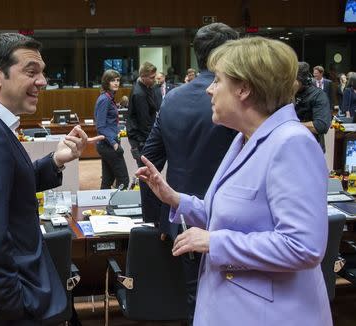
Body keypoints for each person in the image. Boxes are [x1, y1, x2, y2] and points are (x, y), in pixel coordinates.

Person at [136, 36, 331, 325]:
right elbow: (231, 216)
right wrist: (175, 198)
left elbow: (302, 246)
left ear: (244, 88)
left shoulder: (291, 143)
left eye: (217, 80)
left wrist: (215, 242)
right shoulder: (244, 138)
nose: (210, 90)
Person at [0, 33, 103, 325]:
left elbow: (4, 189)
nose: (43, 81)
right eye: (31, 71)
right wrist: (12, 307)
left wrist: (54, 161)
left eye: (43, 72)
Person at [140, 22, 238, 325]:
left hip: (183, 220)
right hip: (237, 223)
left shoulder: (172, 98)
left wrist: (156, 218)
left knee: (197, 299)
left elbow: (149, 160)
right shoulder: (240, 98)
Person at [94, 69, 129, 189]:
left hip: (106, 144)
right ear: (106, 82)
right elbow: (101, 126)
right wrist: (114, 144)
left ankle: (106, 207)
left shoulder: (109, 98)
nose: (116, 83)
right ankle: (120, 207)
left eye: (118, 80)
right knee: (124, 179)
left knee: (107, 180)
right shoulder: (104, 99)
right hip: (108, 145)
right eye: (112, 80)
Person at [126, 61, 161, 166]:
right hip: (141, 140)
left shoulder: (146, 87)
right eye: (151, 77)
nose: (154, 79)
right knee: (146, 173)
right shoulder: (140, 94)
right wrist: (154, 139)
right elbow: (144, 122)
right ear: (142, 76)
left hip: (141, 138)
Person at [294, 62, 331, 152]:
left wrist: (291, 125)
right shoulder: (287, 94)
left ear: (301, 80)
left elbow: (321, 126)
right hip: (291, 147)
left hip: (311, 148)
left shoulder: (318, 95)